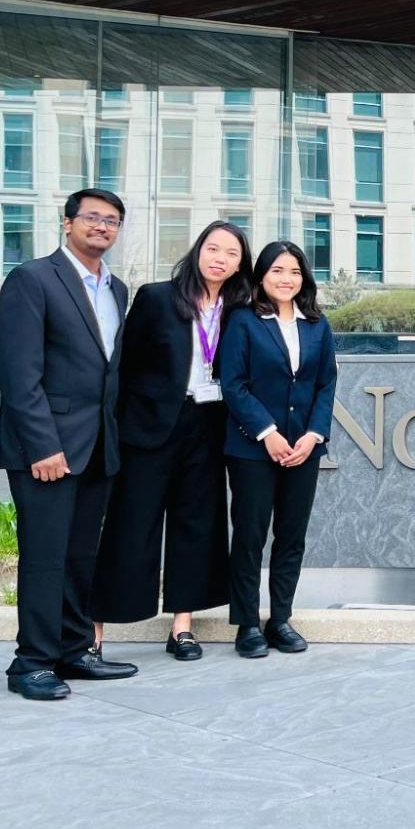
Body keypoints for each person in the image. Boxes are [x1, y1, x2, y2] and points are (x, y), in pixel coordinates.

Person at [0, 189, 138, 700]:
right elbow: (18, 373)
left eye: (111, 221)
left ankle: (73, 651)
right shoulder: (32, 279)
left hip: (95, 446)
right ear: (67, 222)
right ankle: (31, 663)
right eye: (92, 217)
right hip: (46, 449)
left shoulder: (116, 289)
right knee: (46, 557)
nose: (101, 227)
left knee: (78, 557)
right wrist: (42, 447)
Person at [91, 222, 250, 662]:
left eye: (231, 253)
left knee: (196, 525)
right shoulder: (158, 297)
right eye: (212, 248)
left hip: (208, 424)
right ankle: (95, 629)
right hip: (150, 426)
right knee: (130, 525)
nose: (220, 258)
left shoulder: (240, 308)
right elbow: (125, 365)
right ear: (198, 251)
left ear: (241, 263)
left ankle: (182, 626)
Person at [218, 240, 337, 659]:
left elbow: (325, 384)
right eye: (277, 272)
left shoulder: (317, 324)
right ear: (261, 277)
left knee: (291, 535)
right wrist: (267, 432)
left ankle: (280, 619)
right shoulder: (243, 321)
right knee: (250, 535)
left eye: (294, 272)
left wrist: (313, 435)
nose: (286, 280)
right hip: (253, 449)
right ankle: (247, 624)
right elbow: (233, 384)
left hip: (303, 449)